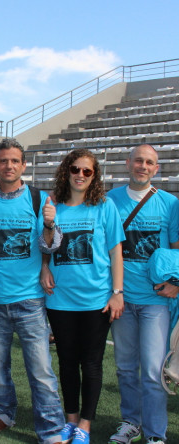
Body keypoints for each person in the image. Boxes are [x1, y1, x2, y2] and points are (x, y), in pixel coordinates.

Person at [0, 138, 65, 444]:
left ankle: (52, 429)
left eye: (15, 161)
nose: (9, 166)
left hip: (29, 299)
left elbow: (51, 245)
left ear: (23, 165)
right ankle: (3, 413)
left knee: (41, 371)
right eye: (3, 161)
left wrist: (50, 226)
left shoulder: (38, 199)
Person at [42, 148, 125, 444]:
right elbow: (46, 244)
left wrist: (117, 292)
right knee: (66, 362)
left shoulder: (104, 206)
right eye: (75, 169)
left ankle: (85, 427)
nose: (80, 175)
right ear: (66, 172)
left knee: (91, 363)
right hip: (60, 299)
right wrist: (44, 267)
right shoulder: (53, 206)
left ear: (95, 176)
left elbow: (116, 252)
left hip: (96, 299)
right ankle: (70, 420)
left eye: (86, 171)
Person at [107, 144, 179, 444]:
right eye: (138, 161)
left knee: (152, 370)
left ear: (156, 168)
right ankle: (130, 423)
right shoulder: (111, 200)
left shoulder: (170, 203)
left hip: (155, 300)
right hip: (122, 298)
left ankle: (155, 433)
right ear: (128, 163)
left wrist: (177, 281)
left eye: (149, 162)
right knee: (125, 367)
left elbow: (176, 250)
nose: (143, 166)